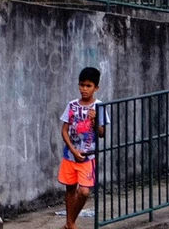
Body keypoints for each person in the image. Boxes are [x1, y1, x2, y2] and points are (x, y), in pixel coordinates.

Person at [59, 67, 107, 229]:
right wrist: (73, 150)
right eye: (82, 85)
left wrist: (94, 121)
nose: (84, 89)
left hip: (88, 157)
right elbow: (64, 131)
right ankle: (70, 224)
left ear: (96, 88)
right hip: (70, 156)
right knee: (70, 189)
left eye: (88, 86)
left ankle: (70, 223)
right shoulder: (72, 105)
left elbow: (102, 133)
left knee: (84, 191)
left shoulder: (99, 107)